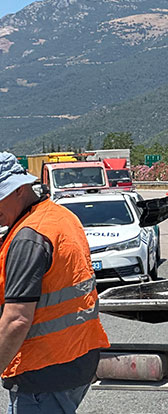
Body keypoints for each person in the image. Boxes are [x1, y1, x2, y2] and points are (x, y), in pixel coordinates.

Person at [0, 152, 109, 413]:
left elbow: (17, 319)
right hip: (75, 359)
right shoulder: (60, 216)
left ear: (19, 190)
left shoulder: (29, 236)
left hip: (43, 370)